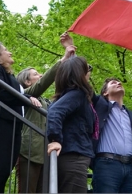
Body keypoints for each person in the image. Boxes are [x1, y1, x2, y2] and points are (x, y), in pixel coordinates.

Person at [15, 41, 76, 193]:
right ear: (27, 82)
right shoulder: (24, 96)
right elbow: (43, 84)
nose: (40, 75)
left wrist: (71, 63)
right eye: (36, 74)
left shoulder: (46, 101)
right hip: (29, 153)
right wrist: (63, 59)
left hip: (48, 156)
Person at [0, 42, 41, 193]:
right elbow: (3, 94)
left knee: (4, 171)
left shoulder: (9, 74)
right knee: (2, 170)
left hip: (13, 124)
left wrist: (27, 97)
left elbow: (15, 94)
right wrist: (26, 99)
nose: (10, 53)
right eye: (5, 50)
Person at [47, 56, 98, 193]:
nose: (90, 72)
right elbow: (55, 112)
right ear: (80, 73)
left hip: (75, 156)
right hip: (73, 157)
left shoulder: (72, 95)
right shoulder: (77, 94)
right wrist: (55, 139)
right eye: (88, 68)